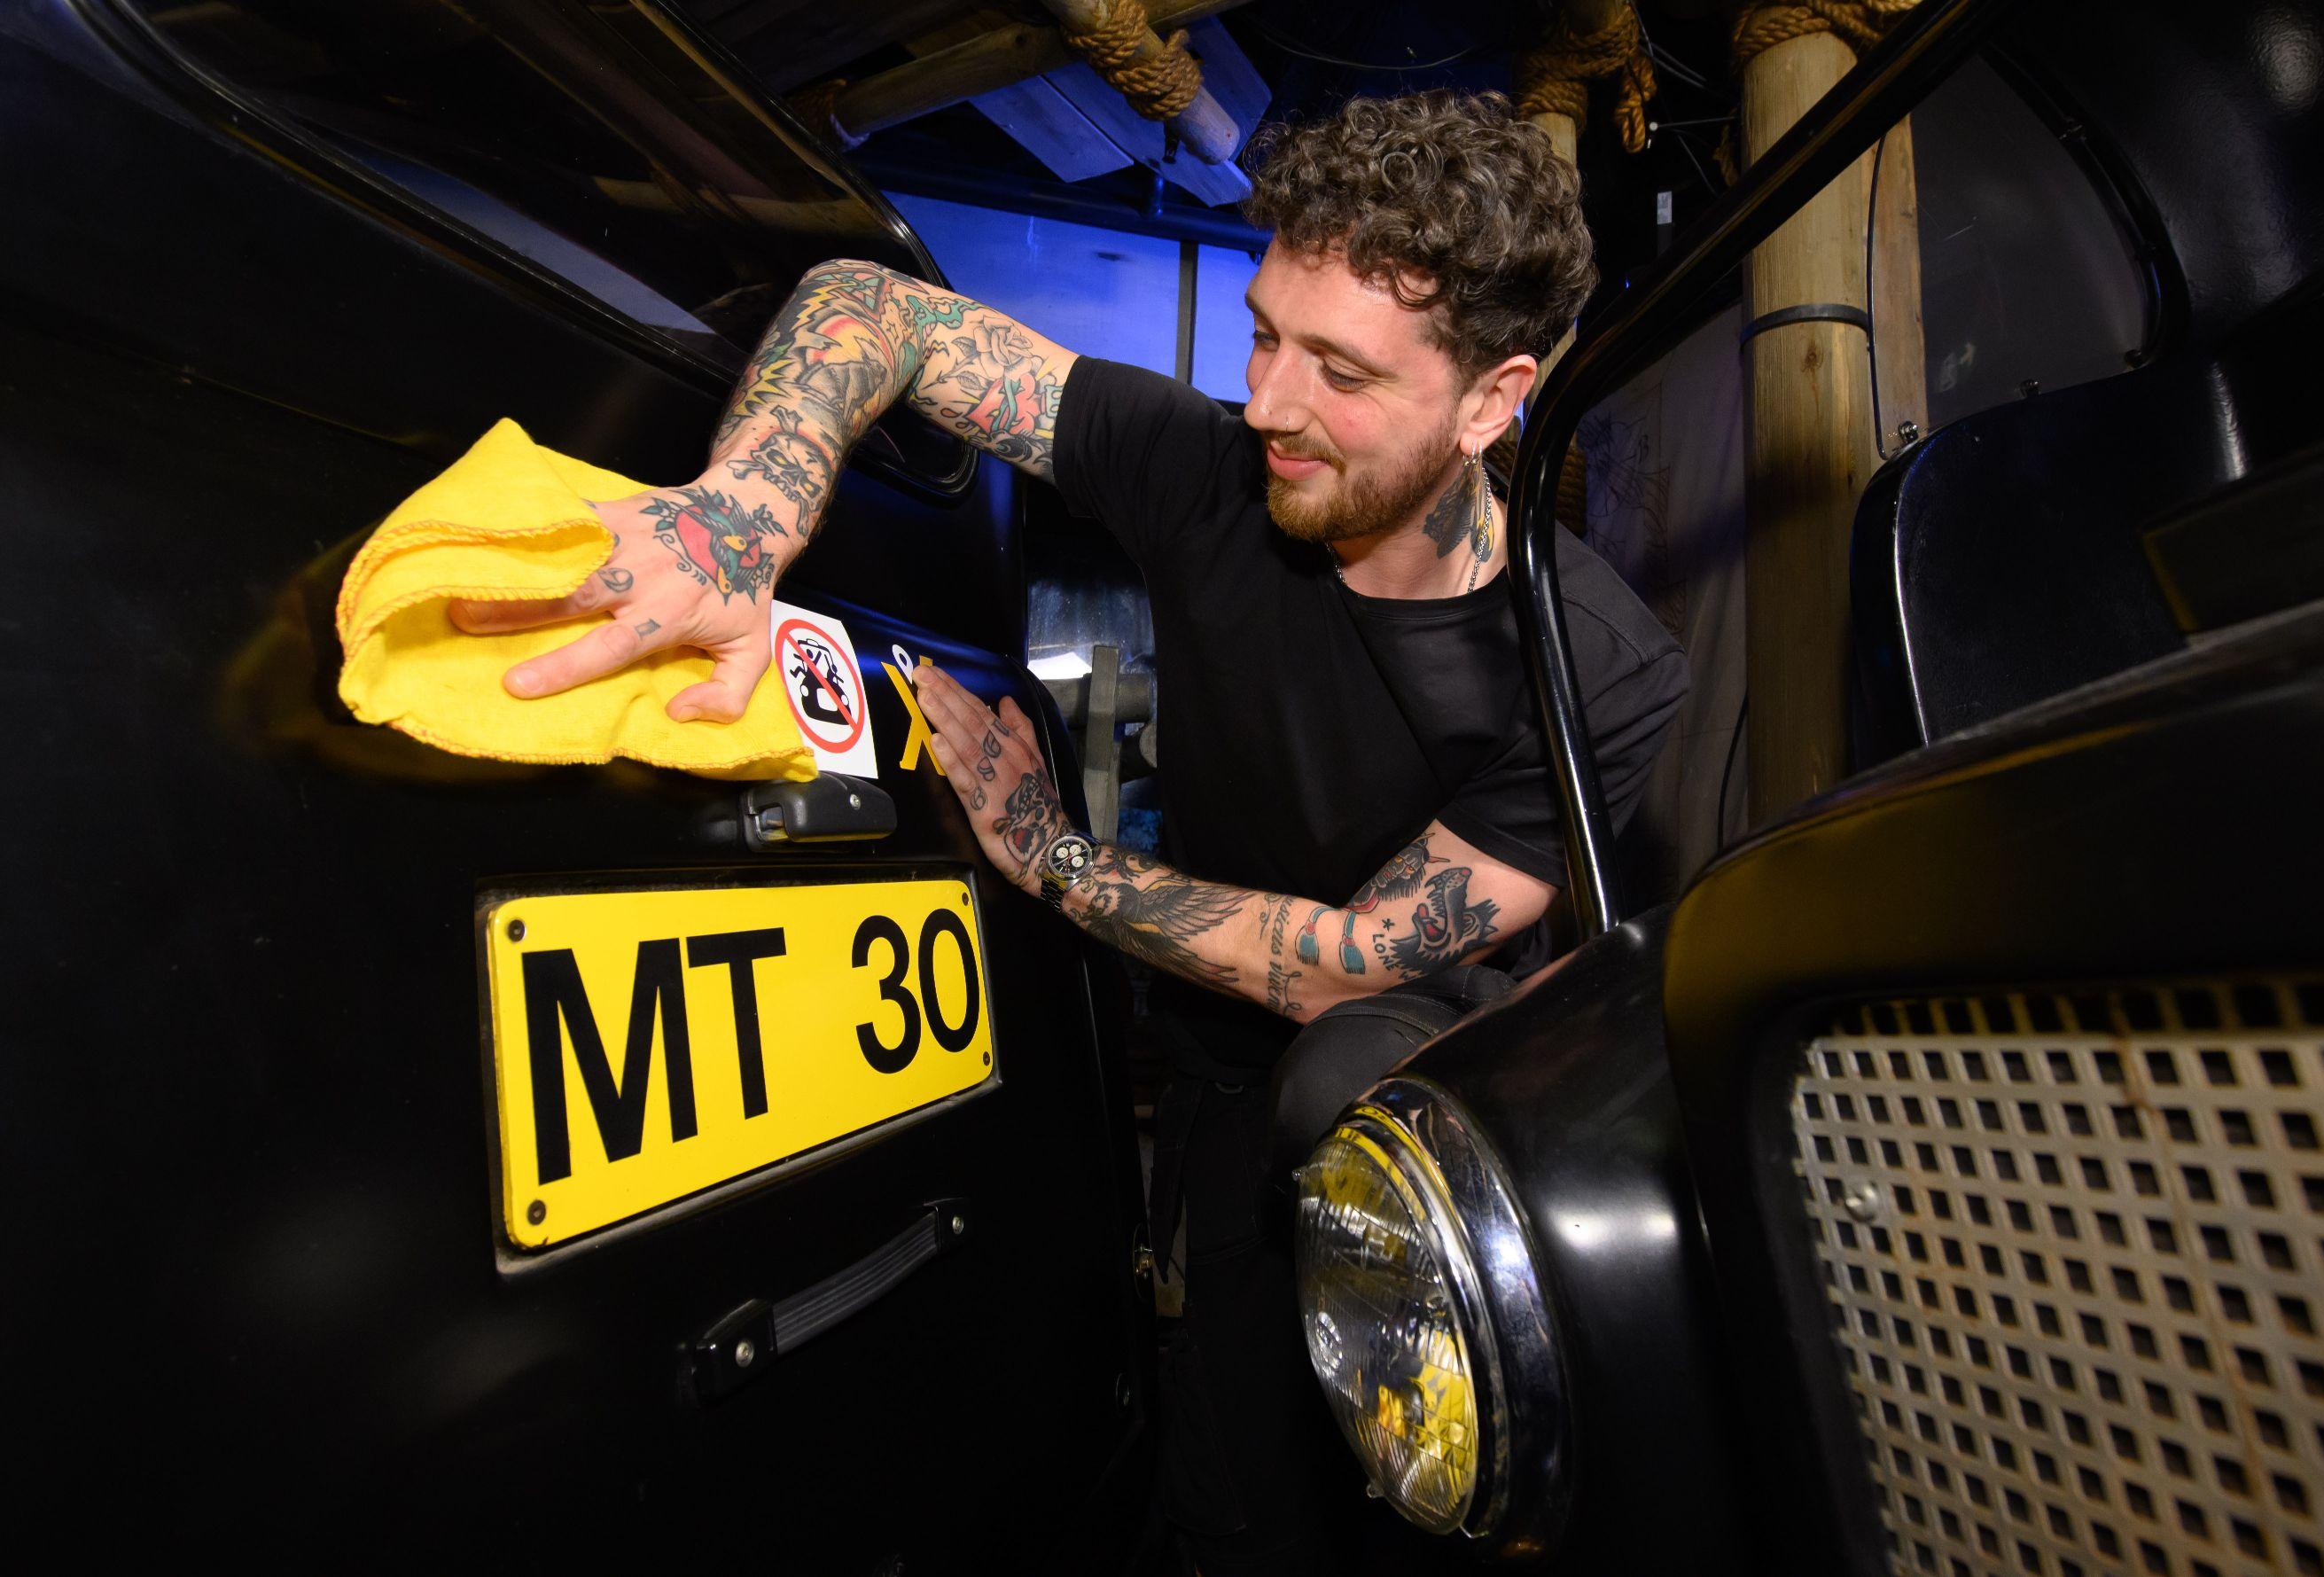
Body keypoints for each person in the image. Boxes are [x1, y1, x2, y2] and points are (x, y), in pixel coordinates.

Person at [454, 90, 1687, 1573]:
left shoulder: (1590, 667)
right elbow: (870, 307)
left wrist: (1050, 855)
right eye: (1264, 336)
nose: (1270, 402)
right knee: (1226, 1493)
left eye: (1342, 370)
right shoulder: (1209, 467)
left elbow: (1351, 964)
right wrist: (743, 513)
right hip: (1219, 1087)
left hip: (1410, 1113)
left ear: (1491, 401)